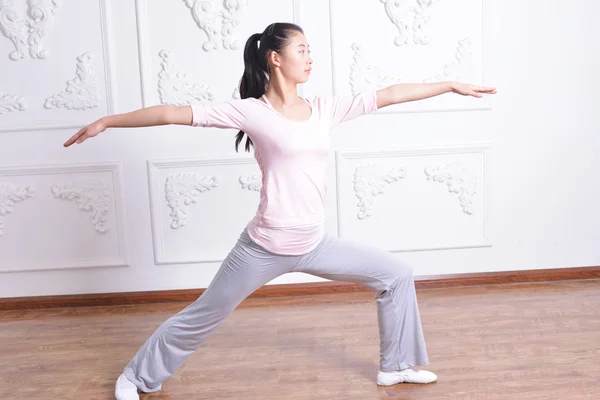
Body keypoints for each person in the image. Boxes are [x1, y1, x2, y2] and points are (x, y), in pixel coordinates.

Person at [64, 22, 495, 400]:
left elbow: (390, 94)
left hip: (314, 243)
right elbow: (172, 113)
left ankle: (396, 365)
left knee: (396, 274)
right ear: (275, 58)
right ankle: (137, 376)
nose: (310, 58)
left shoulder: (324, 109)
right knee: (204, 314)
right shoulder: (252, 112)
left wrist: (450, 84)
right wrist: (108, 121)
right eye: (302, 49)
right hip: (263, 247)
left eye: (309, 50)